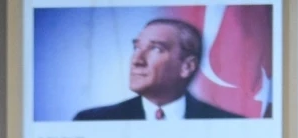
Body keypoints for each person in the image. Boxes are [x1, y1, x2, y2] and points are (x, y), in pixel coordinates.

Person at [75, 18, 240, 121]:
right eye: (136, 47)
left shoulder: (229, 124)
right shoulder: (92, 120)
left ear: (187, 66)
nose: (137, 60)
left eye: (155, 49)